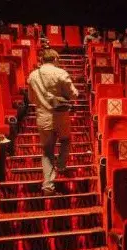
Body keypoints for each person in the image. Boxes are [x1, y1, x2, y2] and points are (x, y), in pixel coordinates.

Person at [27, 48, 79, 196]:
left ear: (42, 60)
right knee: (66, 140)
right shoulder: (61, 73)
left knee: (47, 152)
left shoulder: (33, 75)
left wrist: (43, 102)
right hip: (61, 117)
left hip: (43, 117)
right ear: (55, 59)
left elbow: (31, 99)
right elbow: (73, 95)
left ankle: (48, 186)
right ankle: (61, 164)